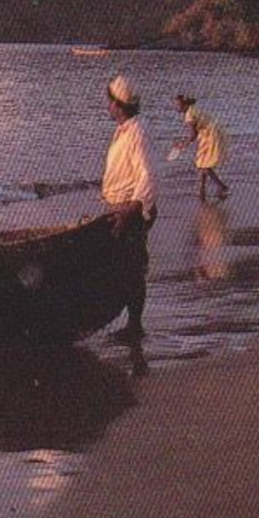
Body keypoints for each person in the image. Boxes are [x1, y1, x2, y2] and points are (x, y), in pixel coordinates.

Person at [102, 75, 157, 342]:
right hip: (122, 207)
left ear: (118, 104)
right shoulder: (127, 129)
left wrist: (131, 210)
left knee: (132, 267)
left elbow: (147, 174)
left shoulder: (136, 132)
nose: (107, 105)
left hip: (129, 209)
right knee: (126, 265)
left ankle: (135, 326)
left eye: (109, 100)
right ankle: (132, 324)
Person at [173, 95, 230, 202]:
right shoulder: (193, 109)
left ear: (184, 105)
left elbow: (194, 134)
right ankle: (202, 190)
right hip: (210, 132)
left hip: (210, 135)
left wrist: (183, 144)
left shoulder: (189, 115)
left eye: (178, 104)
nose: (176, 107)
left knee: (204, 165)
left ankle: (221, 186)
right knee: (202, 163)